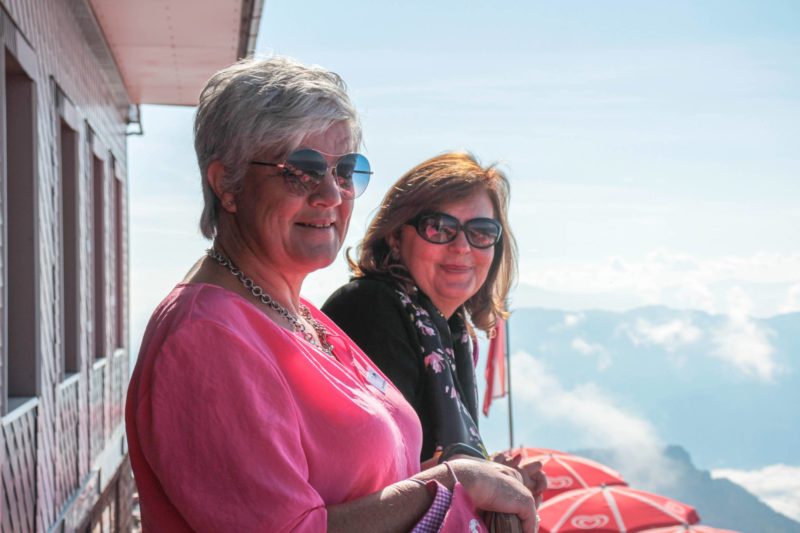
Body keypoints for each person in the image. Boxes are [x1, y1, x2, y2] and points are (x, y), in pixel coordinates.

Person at [125, 57, 537, 532]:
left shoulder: (296, 314)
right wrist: (454, 483)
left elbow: (377, 486)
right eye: (299, 170)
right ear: (228, 184)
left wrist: (479, 484)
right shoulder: (207, 337)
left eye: (345, 171)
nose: (331, 194)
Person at [322, 153, 546, 499]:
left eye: (481, 233)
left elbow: (437, 469)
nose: (461, 247)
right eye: (438, 228)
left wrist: (497, 476)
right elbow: (384, 481)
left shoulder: (451, 330)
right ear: (396, 236)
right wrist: (483, 480)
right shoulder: (370, 308)